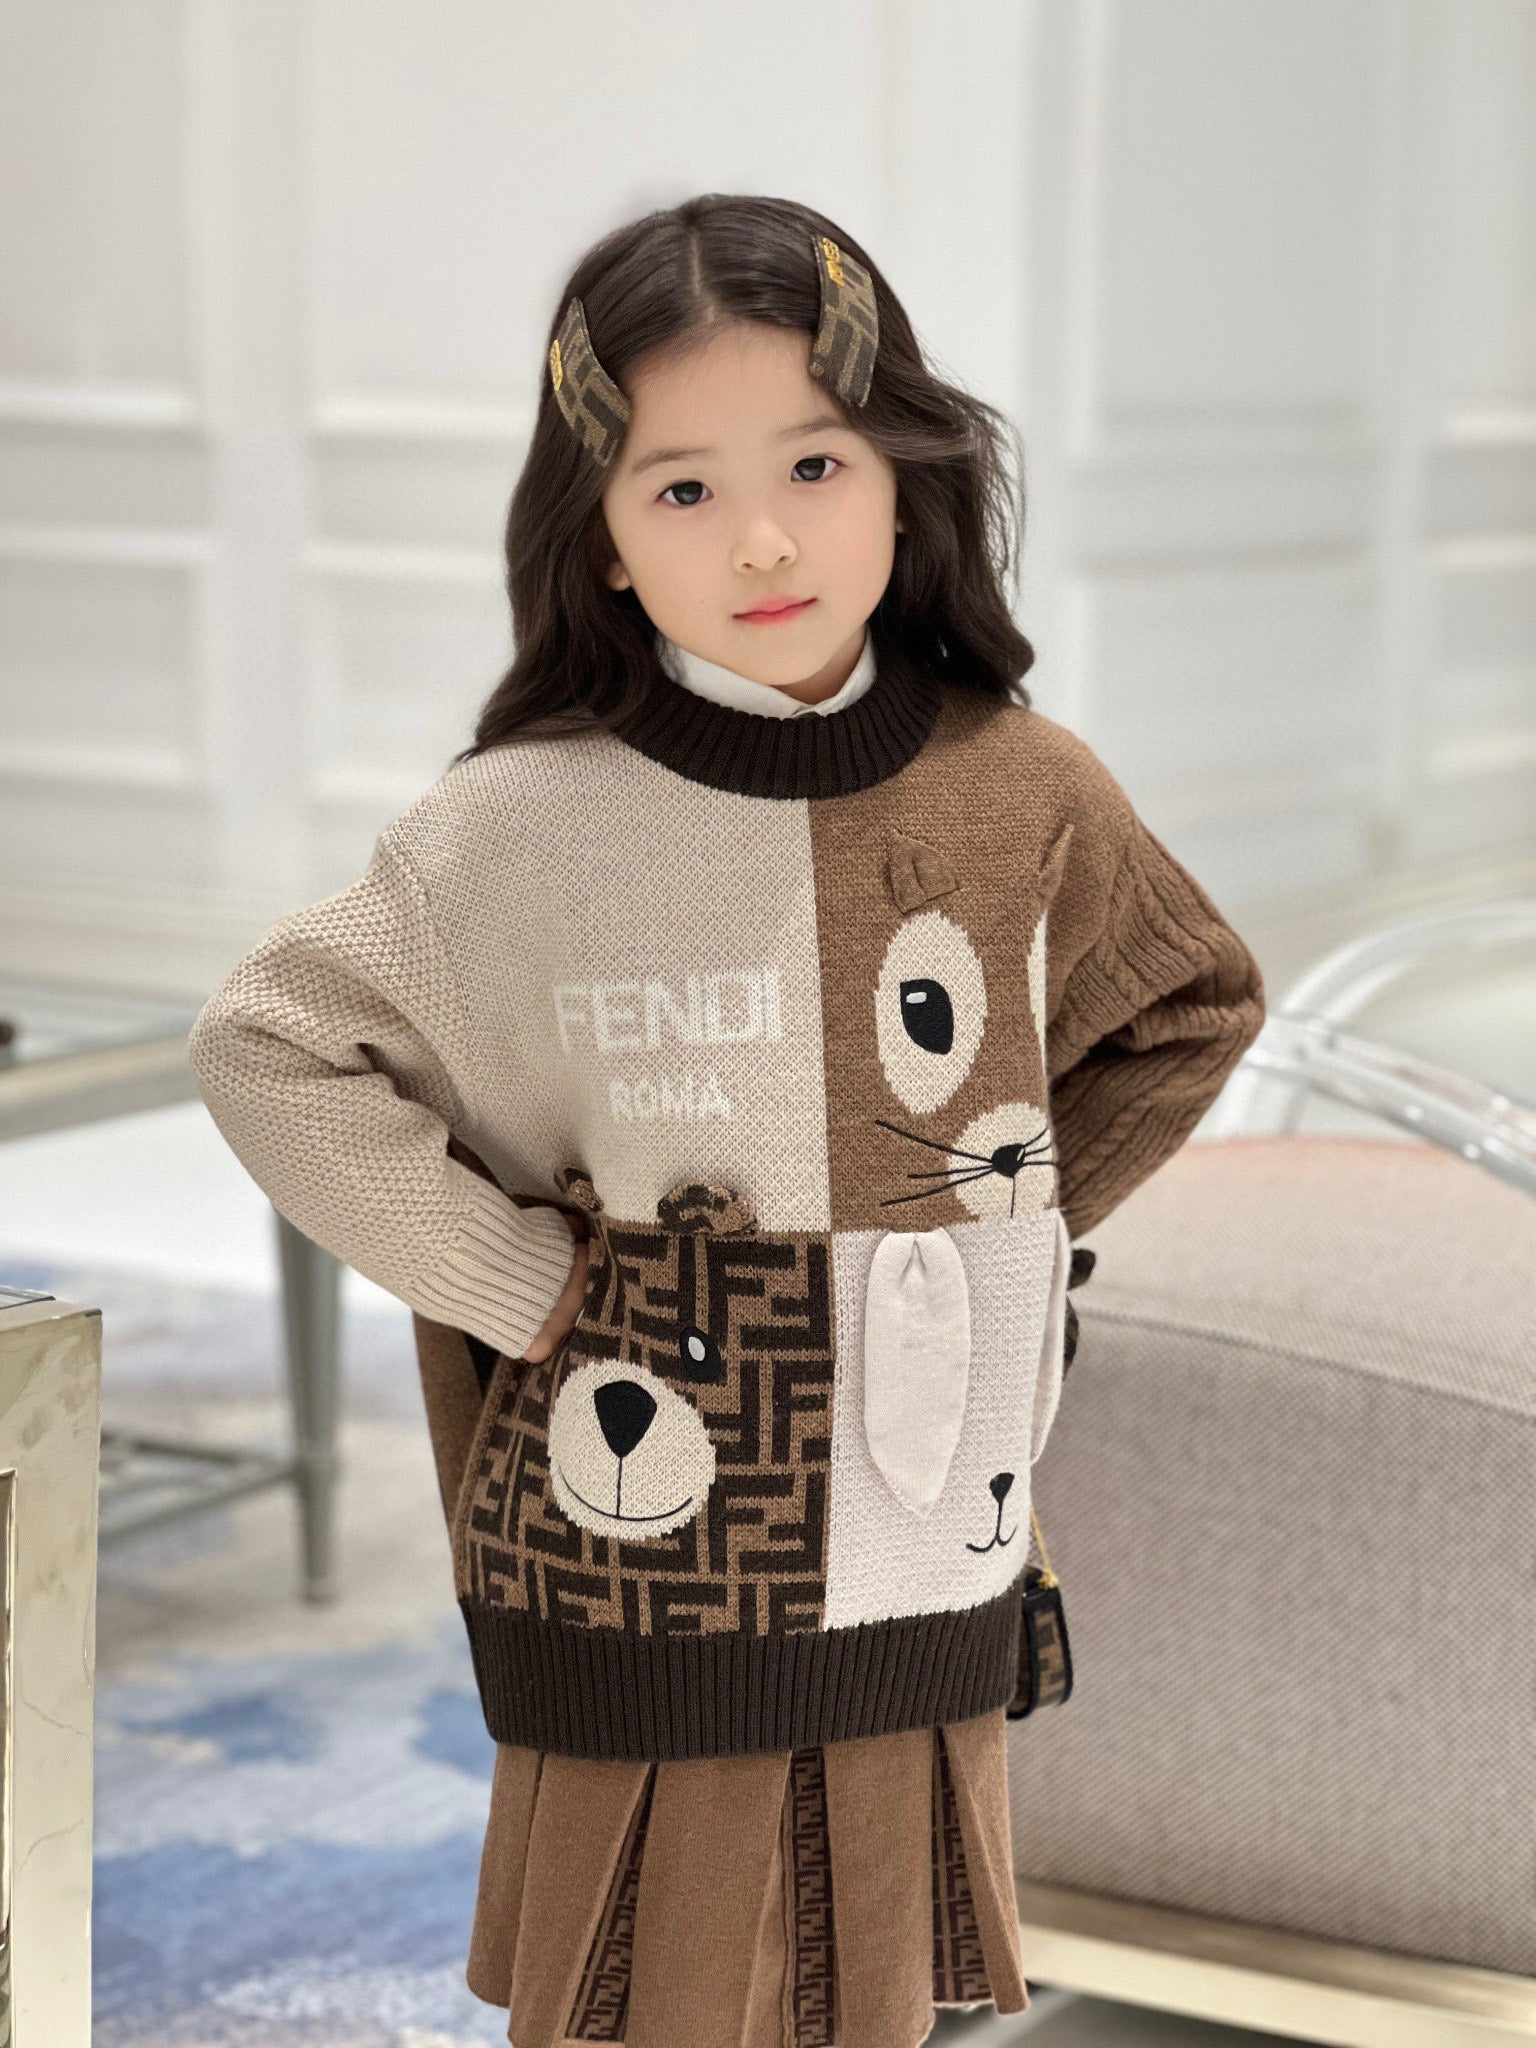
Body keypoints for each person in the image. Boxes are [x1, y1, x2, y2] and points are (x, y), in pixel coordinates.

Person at [190, 194, 1265, 2048]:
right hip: (656, 1546)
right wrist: (516, 1282)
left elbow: (1190, 1003)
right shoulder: (519, 825)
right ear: (600, 542)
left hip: (921, 1531)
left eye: (816, 464)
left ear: (907, 478)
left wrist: (1003, 1234)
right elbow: (268, 1048)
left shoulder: (1028, 787)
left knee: (874, 1981)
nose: (763, 538)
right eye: (682, 488)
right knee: (645, 1985)